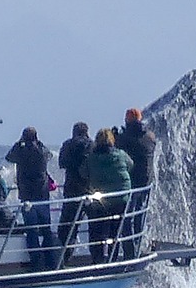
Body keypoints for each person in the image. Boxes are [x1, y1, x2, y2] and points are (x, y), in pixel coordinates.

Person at [2, 126, 57, 271]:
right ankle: (51, 261)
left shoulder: (20, 151)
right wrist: (38, 143)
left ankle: (36, 261)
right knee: (46, 229)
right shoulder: (41, 150)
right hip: (42, 195)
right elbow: (50, 155)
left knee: (31, 230)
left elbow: (9, 157)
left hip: (27, 197)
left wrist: (18, 143)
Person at [84, 129, 134, 263]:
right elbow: (130, 165)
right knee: (115, 231)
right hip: (120, 197)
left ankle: (98, 260)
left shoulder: (91, 158)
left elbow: (83, 172)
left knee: (97, 231)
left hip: (101, 200)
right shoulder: (121, 154)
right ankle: (113, 258)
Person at [114, 108, 157, 257]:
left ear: (127, 120)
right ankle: (137, 245)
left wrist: (115, 136)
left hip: (132, 183)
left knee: (127, 217)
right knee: (139, 215)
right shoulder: (150, 137)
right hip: (146, 182)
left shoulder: (126, 138)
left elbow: (119, 146)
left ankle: (129, 251)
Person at [57, 121, 93, 262]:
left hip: (71, 190)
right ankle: (98, 256)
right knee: (96, 225)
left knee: (67, 227)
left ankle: (64, 258)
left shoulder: (67, 145)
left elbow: (61, 163)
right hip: (90, 190)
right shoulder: (91, 145)